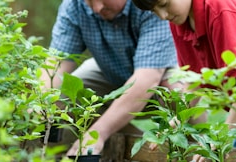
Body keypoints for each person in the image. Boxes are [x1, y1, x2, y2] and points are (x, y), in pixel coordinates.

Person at [41, 0, 181, 156]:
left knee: (178, 93)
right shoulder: (74, 5)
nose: (97, 8)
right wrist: (39, 103)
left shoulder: (149, 4)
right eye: (90, 1)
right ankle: (116, 138)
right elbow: (57, 63)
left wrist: (98, 133)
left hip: (161, 71)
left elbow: (146, 79)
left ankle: (196, 147)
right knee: (63, 96)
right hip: (111, 71)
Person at [132, 0, 236, 160]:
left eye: (165, 4)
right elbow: (195, 78)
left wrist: (223, 136)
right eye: (154, 11)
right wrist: (178, 120)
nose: (163, 16)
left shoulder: (219, 8)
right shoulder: (180, 21)